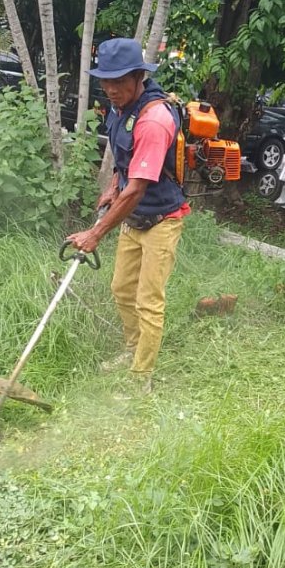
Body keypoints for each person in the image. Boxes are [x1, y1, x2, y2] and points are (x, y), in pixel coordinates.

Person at [66, 38, 189, 391]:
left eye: (119, 81)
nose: (111, 89)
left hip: (162, 219)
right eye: (106, 81)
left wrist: (95, 234)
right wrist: (113, 185)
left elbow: (136, 190)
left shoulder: (154, 121)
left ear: (138, 77)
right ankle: (134, 349)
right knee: (121, 289)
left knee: (148, 301)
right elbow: (127, 163)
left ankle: (141, 378)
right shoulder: (120, 109)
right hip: (133, 218)